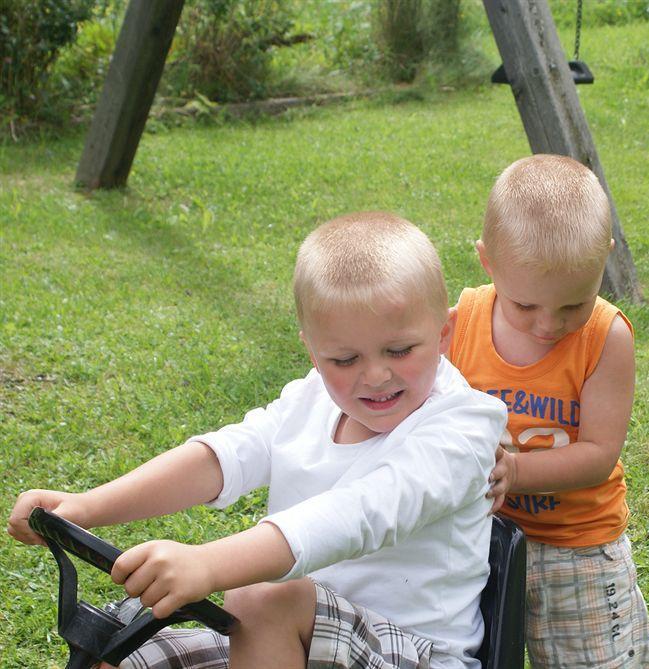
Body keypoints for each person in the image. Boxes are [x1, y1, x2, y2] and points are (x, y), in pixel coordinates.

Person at [8, 212, 507, 669]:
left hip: (414, 653)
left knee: (260, 596)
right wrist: (85, 508)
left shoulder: (461, 428)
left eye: (399, 350)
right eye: (344, 360)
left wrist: (207, 562)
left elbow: (357, 515)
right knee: (123, 647)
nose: (375, 375)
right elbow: (223, 458)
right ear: (311, 350)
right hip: (293, 638)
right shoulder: (311, 400)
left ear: (444, 334)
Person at [448, 154, 649, 668]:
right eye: (525, 306)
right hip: (477, 540)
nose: (548, 325)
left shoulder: (605, 337)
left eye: (572, 305)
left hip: (576, 548)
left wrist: (514, 470)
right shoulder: (465, 320)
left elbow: (598, 455)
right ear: (487, 261)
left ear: (603, 262)